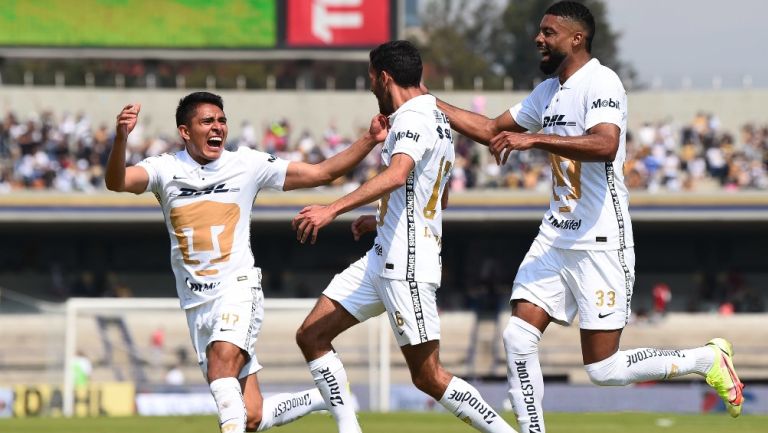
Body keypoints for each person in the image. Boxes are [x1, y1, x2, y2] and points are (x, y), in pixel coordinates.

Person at [430, 2, 744, 431]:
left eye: (548, 32)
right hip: (555, 237)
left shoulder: (602, 82)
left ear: (576, 38)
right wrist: (426, 102)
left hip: (601, 240)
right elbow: (489, 130)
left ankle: (706, 359)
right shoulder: (547, 92)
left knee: (603, 369)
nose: (538, 39)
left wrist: (534, 140)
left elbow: (605, 145)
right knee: (517, 338)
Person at [105, 91, 388, 433]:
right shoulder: (165, 169)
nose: (218, 128)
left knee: (221, 367)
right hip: (197, 304)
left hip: (238, 288)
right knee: (252, 416)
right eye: (207, 121)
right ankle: (325, 397)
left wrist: (369, 139)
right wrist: (121, 138)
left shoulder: (247, 164)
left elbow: (321, 172)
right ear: (185, 131)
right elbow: (117, 181)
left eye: (221, 120)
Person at [292, 40, 517, 433]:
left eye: (370, 81)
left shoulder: (413, 118)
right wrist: (379, 220)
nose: (371, 89)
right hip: (384, 254)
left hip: (407, 265)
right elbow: (435, 195)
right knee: (311, 335)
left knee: (428, 375)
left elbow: (397, 175)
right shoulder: (438, 119)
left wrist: (331, 209)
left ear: (384, 78)